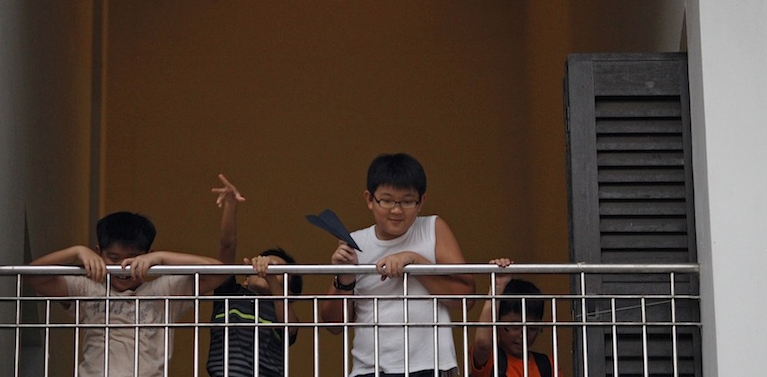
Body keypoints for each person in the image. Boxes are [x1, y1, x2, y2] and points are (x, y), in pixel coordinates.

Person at [320, 153, 476, 377]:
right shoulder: (356, 242)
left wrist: (415, 261)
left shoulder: (432, 228)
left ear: (421, 201)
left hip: (431, 365)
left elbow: (466, 297)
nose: (396, 210)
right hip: (369, 368)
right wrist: (344, 278)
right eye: (387, 200)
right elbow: (333, 325)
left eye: (407, 201)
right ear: (369, 199)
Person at [27, 210, 225, 377]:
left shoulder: (164, 291)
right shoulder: (86, 289)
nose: (122, 267)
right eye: (113, 258)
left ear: (148, 256)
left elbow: (218, 273)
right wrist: (76, 252)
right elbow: (33, 278)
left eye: (133, 259)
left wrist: (161, 258)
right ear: (98, 254)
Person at [206, 174, 302, 377]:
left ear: (289, 293)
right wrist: (231, 206)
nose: (268, 268)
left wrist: (271, 280)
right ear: (246, 277)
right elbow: (227, 245)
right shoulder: (230, 293)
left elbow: (291, 327)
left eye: (278, 270)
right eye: (266, 262)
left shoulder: (280, 312)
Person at [471, 260, 561, 377]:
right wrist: (498, 287)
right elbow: (482, 343)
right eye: (515, 326)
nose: (523, 334)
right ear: (497, 322)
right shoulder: (491, 359)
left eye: (532, 328)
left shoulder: (548, 365)